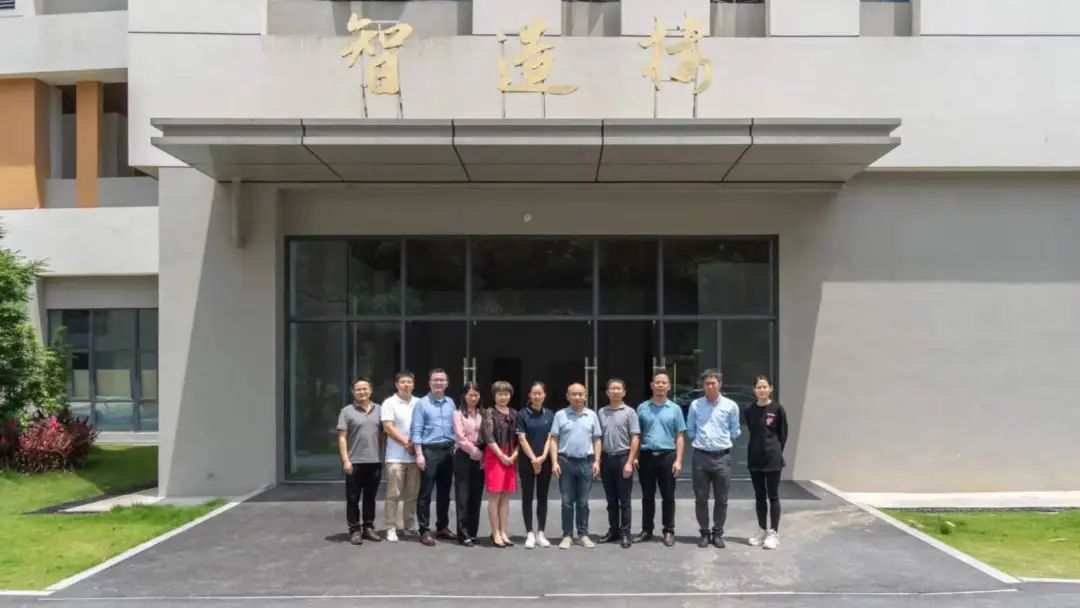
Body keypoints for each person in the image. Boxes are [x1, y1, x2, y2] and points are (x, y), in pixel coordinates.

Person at [686, 369, 741, 549]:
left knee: (722, 499)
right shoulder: (695, 405)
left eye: (713, 383)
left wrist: (721, 443)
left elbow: (735, 430)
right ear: (703, 386)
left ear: (720, 384)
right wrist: (701, 441)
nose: (710, 386)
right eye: (707, 384)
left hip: (722, 458)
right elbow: (690, 429)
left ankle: (717, 533)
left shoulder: (730, 406)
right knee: (701, 498)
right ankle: (704, 533)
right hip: (700, 457)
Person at [634, 370, 686, 547]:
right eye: (658, 382)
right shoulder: (642, 408)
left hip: (667, 457)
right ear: (652, 385)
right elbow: (637, 434)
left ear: (669, 386)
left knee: (668, 496)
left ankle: (669, 531)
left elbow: (680, 436)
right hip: (646, 456)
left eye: (664, 382)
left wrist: (678, 460)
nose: (661, 385)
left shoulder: (675, 409)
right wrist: (635, 456)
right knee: (647, 496)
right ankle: (647, 530)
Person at [549, 382, 602, 549]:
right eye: (574, 394)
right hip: (565, 462)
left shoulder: (592, 415)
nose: (578, 397)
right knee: (566, 502)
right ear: (568, 396)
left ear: (585, 396)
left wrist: (597, 461)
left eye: (581, 394)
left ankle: (583, 534)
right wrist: (554, 462)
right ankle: (567, 535)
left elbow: (597, 439)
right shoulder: (560, 415)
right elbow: (554, 439)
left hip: (586, 462)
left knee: (583, 502)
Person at [410, 368, 458, 546]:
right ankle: (424, 530)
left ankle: (442, 526)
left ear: (447, 383)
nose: (439, 383)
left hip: (448, 451)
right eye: (435, 380)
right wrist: (419, 454)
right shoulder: (421, 404)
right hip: (429, 451)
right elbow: (416, 430)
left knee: (445, 492)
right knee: (426, 492)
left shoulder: (450, 402)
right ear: (429, 383)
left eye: (442, 380)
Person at [337, 379, 384, 545]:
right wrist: (345, 460)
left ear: (370, 390)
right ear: (353, 392)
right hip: (354, 462)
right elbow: (342, 438)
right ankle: (355, 530)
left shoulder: (379, 410)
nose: (362, 392)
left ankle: (368, 528)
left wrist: (382, 456)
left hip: (374, 462)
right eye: (358, 389)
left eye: (365, 388)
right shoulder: (346, 411)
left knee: (370, 498)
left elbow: (384, 435)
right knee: (353, 498)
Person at [744, 375, 788, 551]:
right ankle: (762, 530)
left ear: (771, 389)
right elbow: (752, 430)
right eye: (758, 387)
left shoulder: (777, 409)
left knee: (773, 496)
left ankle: (773, 533)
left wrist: (774, 450)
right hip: (755, 459)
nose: (761, 390)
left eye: (764, 387)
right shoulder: (749, 409)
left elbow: (783, 435)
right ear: (754, 390)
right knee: (759, 496)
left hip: (772, 459)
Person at [597, 378, 641, 548]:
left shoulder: (630, 412)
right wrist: (598, 460)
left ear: (624, 392)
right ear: (607, 392)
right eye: (612, 389)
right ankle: (613, 531)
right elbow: (598, 438)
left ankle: (625, 533)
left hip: (623, 457)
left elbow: (635, 437)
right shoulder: (601, 412)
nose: (615, 391)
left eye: (618, 389)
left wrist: (630, 461)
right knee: (611, 500)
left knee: (625, 500)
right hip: (607, 459)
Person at [381, 371, 421, 542]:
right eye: (403, 382)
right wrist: (406, 443)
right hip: (395, 457)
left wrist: (415, 447)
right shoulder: (389, 403)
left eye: (409, 382)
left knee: (412, 495)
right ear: (396, 384)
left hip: (415, 457)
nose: (406, 385)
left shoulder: (419, 403)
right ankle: (391, 527)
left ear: (413, 384)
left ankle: (409, 526)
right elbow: (388, 427)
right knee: (393, 495)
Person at [516, 381, 555, 549]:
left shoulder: (550, 414)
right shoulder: (522, 414)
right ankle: (530, 533)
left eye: (540, 393)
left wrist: (543, 457)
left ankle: (541, 533)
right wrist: (534, 459)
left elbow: (550, 438)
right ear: (529, 395)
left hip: (545, 461)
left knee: (543, 496)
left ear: (544, 395)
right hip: (527, 461)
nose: (537, 396)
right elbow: (522, 439)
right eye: (534, 393)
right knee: (527, 496)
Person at [482, 381, 519, 548]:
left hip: (511, 455)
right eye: (500, 394)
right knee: (495, 495)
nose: (503, 397)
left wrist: (515, 453)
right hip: (495, 455)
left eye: (506, 394)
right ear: (494, 395)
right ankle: (495, 532)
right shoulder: (489, 412)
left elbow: (519, 437)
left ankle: (503, 531)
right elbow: (488, 437)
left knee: (506, 495)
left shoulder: (514, 413)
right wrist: (501, 455)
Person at [452, 382, 485, 547]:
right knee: (463, 497)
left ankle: (473, 532)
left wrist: (482, 453)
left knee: (476, 496)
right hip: (464, 456)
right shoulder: (458, 414)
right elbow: (460, 437)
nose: (473, 398)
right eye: (470, 395)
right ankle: (463, 533)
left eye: (476, 395)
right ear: (464, 396)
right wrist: (475, 452)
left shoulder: (483, 413)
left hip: (481, 458)